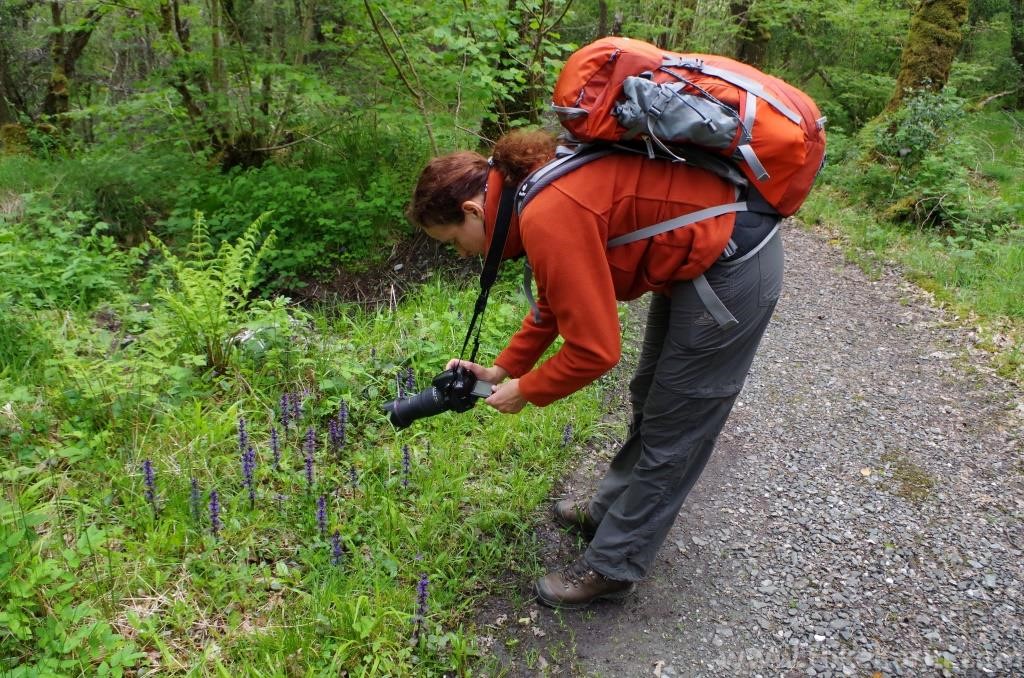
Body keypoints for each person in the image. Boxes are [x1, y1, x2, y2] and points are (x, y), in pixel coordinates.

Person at [407, 129, 784, 610]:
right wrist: (501, 370)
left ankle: (613, 565)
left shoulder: (546, 211)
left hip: (732, 264)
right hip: (699, 260)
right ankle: (610, 512)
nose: (463, 254)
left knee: (677, 422)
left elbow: (595, 351)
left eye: (454, 241)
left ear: (473, 211)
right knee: (650, 395)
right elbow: (555, 300)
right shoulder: (528, 191)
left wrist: (527, 390)